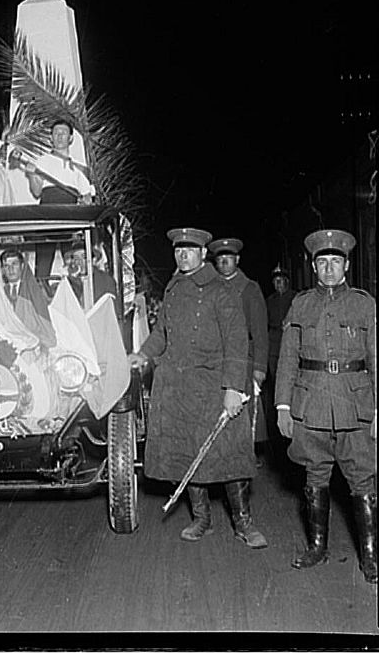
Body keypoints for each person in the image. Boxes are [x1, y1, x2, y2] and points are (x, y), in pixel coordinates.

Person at [127, 228, 267, 549]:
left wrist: (233, 388)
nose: (183, 255)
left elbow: (235, 342)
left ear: (204, 253)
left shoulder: (221, 291)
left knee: (230, 454)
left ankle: (243, 521)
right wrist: (143, 354)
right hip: (179, 388)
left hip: (213, 386)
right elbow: (162, 331)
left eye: (190, 250)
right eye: (179, 250)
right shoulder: (174, 290)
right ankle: (201, 518)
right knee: (187, 452)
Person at [275, 229, 376, 583]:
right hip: (312, 403)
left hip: (355, 404)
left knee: (362, 478)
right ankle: (317, 546)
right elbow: (288, 359)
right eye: (322, 262)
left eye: (335, 262)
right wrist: (283, 406)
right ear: (313, 266)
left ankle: (370, 555)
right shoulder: (301, 304)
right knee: (315, 474)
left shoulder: (364, 304)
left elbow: (376, 358)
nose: (329, 269)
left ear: (347, 264)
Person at [209, 238, 268, 459]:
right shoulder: (209, 288)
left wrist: (260, 367)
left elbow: (260, 331)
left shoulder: (249, 289)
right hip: (216, 360)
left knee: (243, 413)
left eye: (229, 258)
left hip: (244, 360)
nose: (224, 262)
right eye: (220, 258)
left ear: (238, 260)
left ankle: (243, 457)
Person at [21, 119, 94, 205]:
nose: (59, 136)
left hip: (71, 213)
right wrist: (31, 175)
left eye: (64, 133)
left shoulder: (78, 168)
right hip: (48, 211)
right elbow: (37, 192)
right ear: (51, 138)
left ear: (70, 138)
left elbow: (86, 196)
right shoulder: (42, 161)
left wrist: (86, 198)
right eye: (56, 133)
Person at [265, 265, 296, 447]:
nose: (278, 284)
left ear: (287, 281)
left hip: (289, 338)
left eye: (281, 280)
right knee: (276, 377)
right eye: (275, 281)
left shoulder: (295, 298)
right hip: (274, 340)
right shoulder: (269, 301)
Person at [0, 247, 56, 349]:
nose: (10, 269)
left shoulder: (36, 291)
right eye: (6, 266)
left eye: (14, 264)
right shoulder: (0, 293)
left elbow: (44, 321)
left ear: (22, 266)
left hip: (33, 346)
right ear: (2, 270)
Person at [63, 241, 117, 308]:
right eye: (76, 258)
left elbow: (112, 306)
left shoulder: (105, 279)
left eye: (84, 257)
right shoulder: (69, 281)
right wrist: (73, 279)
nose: (80, 261)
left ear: (92, 259)